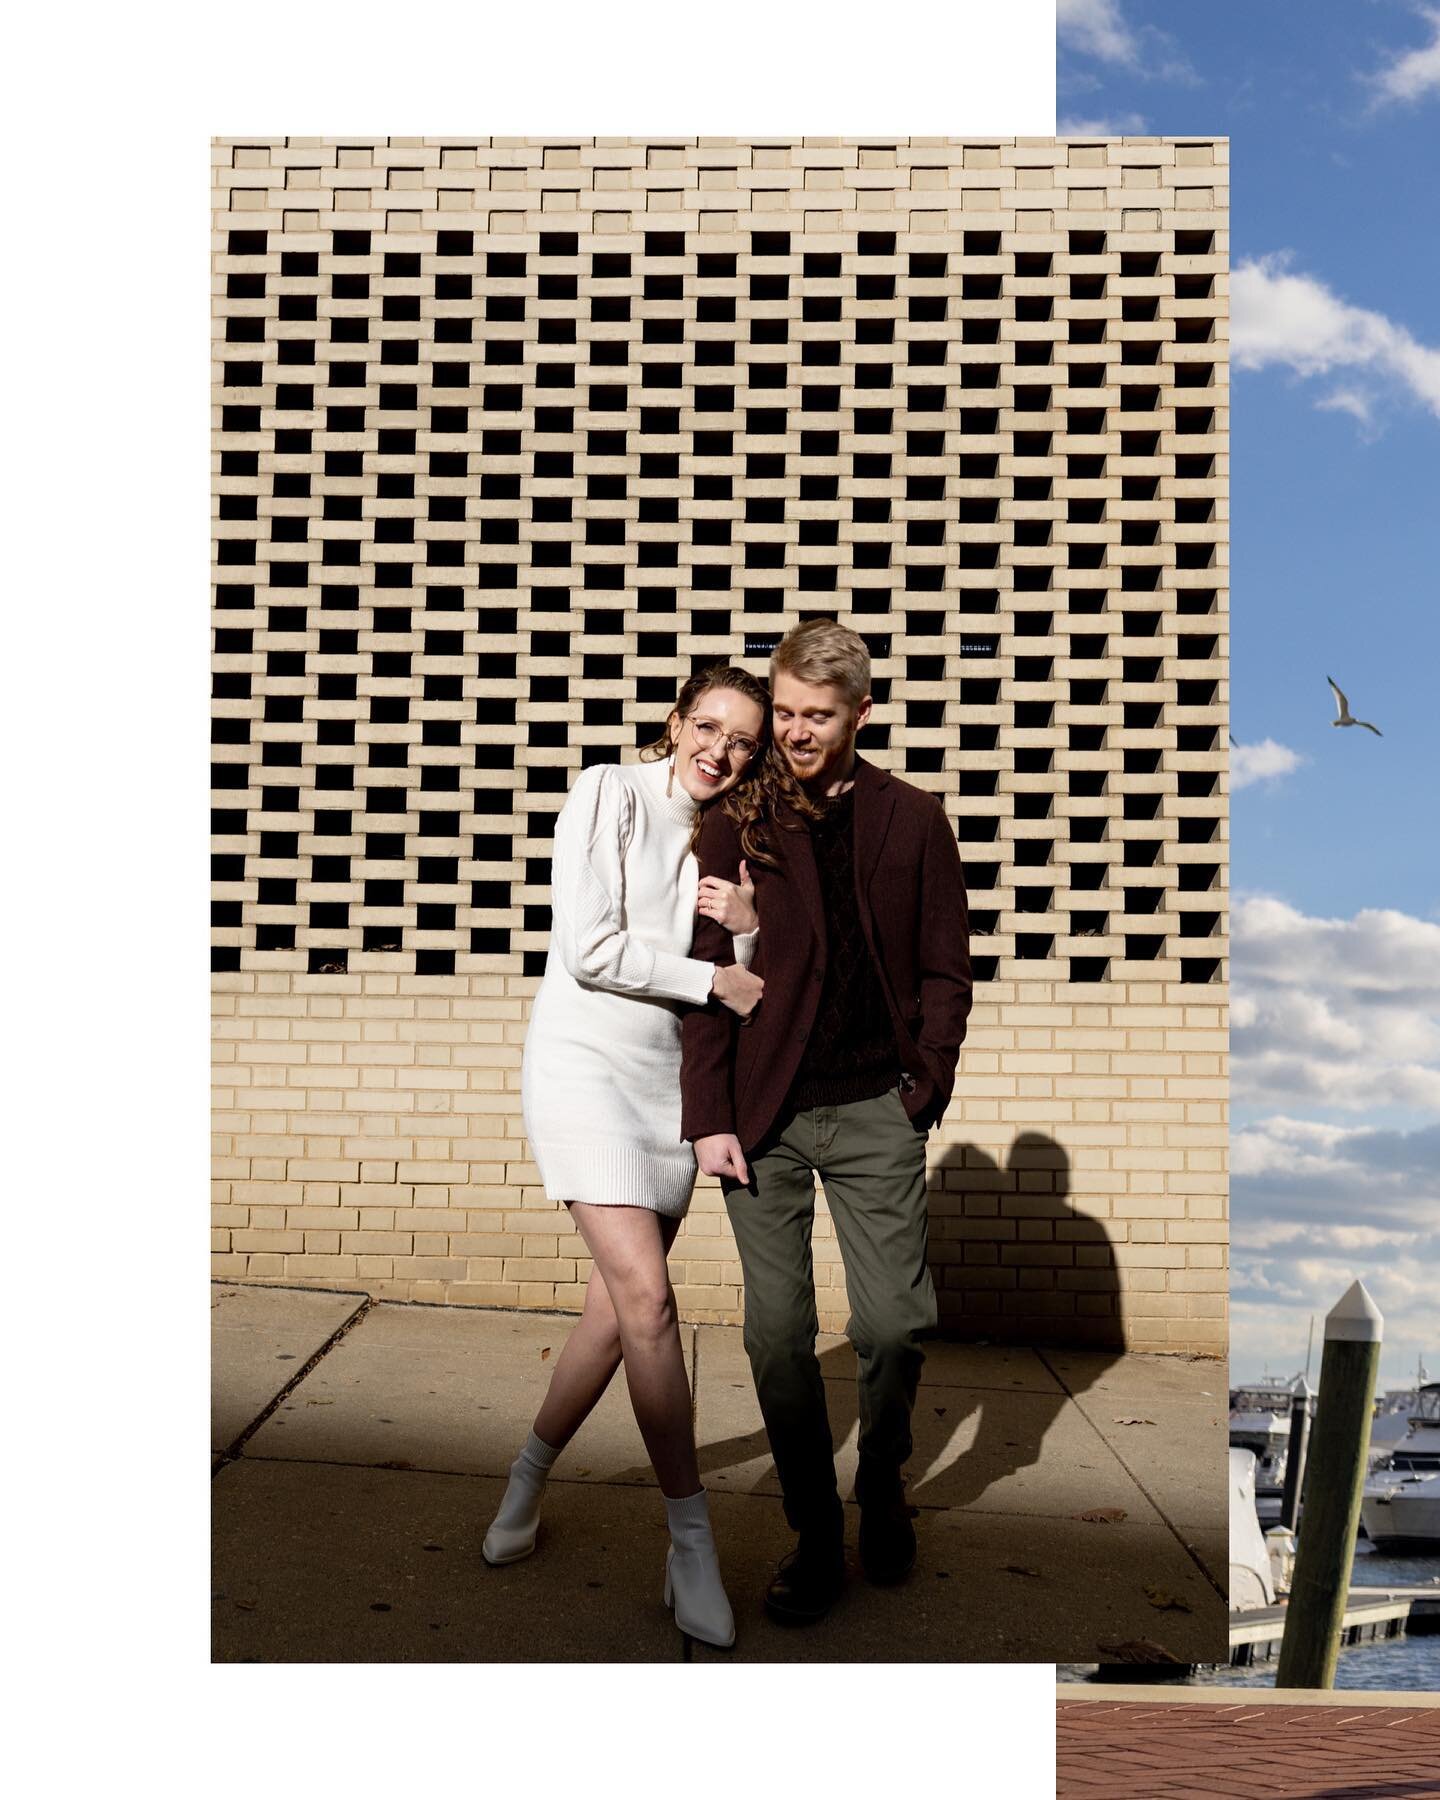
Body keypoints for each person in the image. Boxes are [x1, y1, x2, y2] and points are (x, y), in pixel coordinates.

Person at [681, 619, 972, 1625]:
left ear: (862, 714)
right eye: (787, 713)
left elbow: (946, 967)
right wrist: (707, 1113)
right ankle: (814, 1535)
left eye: (817, 716)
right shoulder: (741, 817)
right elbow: (704, 976)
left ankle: (881, 1482)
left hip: (872, 1108)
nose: (795, 733)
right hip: (763, 1117)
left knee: (894, 1325)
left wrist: (924, 1084)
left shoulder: (915, 819)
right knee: (775, 1338)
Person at [482, 665, 775, 1651]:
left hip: (668, 1086)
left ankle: (526, 1479)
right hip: (583, 1067)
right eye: (707, 726)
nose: (719, 750)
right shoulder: (606, 791)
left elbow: (759, 972)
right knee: (651, 1302)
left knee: (615, 1313)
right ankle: (689, 1534)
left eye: (740, 739)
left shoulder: (736, 835)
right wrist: (714, 976)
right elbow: (589, 948)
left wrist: (750, 929)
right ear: (676, 722)